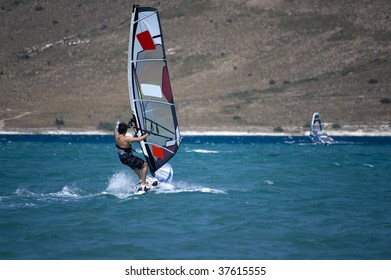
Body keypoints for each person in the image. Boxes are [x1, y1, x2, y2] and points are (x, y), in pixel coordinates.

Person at [114, 121, 152, 191]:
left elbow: (116, 128)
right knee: (145, 165)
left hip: (122, 158)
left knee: (135, 168)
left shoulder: (116, 135)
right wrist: (148, 133)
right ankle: (143, 184)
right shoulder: (126, 138)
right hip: (128, 157)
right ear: (125, 131)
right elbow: (139, 139)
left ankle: (141, 179)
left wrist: (123, 125)